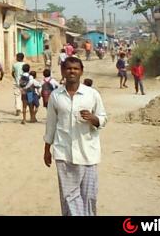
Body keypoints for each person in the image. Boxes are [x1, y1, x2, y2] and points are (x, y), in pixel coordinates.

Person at [44, 56, 108, 216]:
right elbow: (51, 124)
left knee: (89, 197)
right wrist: (47, 149)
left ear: (81, 72)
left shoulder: (91, 94)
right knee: (69, 197)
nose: (72, 71)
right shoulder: (56, 96)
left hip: (88, 152)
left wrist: (93, 118)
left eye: (75, 69)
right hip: (64, 153)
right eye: (68, 68)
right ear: (62, 71)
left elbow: (103, 118)